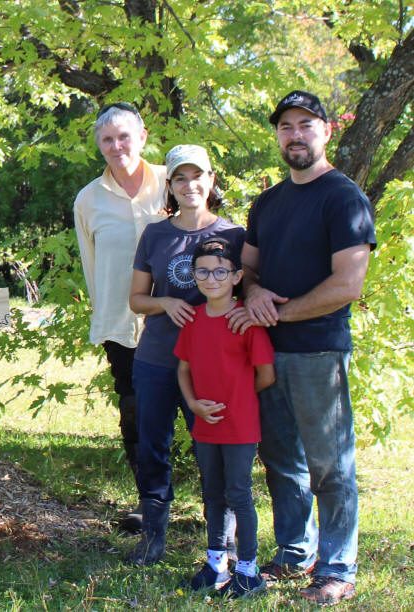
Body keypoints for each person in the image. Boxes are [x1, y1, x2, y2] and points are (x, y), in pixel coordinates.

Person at [228, 90, 375, 606]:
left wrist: (279, 311)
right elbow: (245, 270)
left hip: (317, 351)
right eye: (286, 126)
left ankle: (337, 567)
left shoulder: (343, 197)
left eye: (305, 125)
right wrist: (255, 292)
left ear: (326, 131)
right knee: (281, 458)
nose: (295, 134)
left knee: (330, 464)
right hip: (265, 353)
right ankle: (294, 553)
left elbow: (347, 285)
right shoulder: (268, 201)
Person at [127, 144, 244, 565]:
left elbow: (245, 298)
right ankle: (152, 535)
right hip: (158, 356)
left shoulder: (234, 236)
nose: (189, 185)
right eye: (180, 178)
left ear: (211, 181)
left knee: (212, 447)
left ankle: (223, 540)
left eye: (198, 176)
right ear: (170, 186)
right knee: (152, 447)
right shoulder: (156, 234)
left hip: (212, 364)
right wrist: (165, 304)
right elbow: (137, 300)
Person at [73, 102, 167, 533]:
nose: (116, 146)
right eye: (107, 139)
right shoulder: (88, 199)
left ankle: (218, 513)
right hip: (122, 327)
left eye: (124, 136)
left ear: (143, 136)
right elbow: (92, 265)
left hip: (179, 322)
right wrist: (104, 316)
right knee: (136, 415)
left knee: (201, 413)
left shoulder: (172, 182)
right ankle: (152, 506)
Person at [175, 238, 275, 598]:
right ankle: (217, 564)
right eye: (203, 270)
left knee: (239, 493)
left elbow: (266, 375)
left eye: (220, 271)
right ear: (194, 275)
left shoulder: (245, 320)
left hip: (240, 424)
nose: (211, 277)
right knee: (212, 492)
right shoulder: (194, 319)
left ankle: (249, 571)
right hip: (205, 422)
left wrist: (239, 400)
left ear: (236, 276)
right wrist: (194, 404)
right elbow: (183, 369)